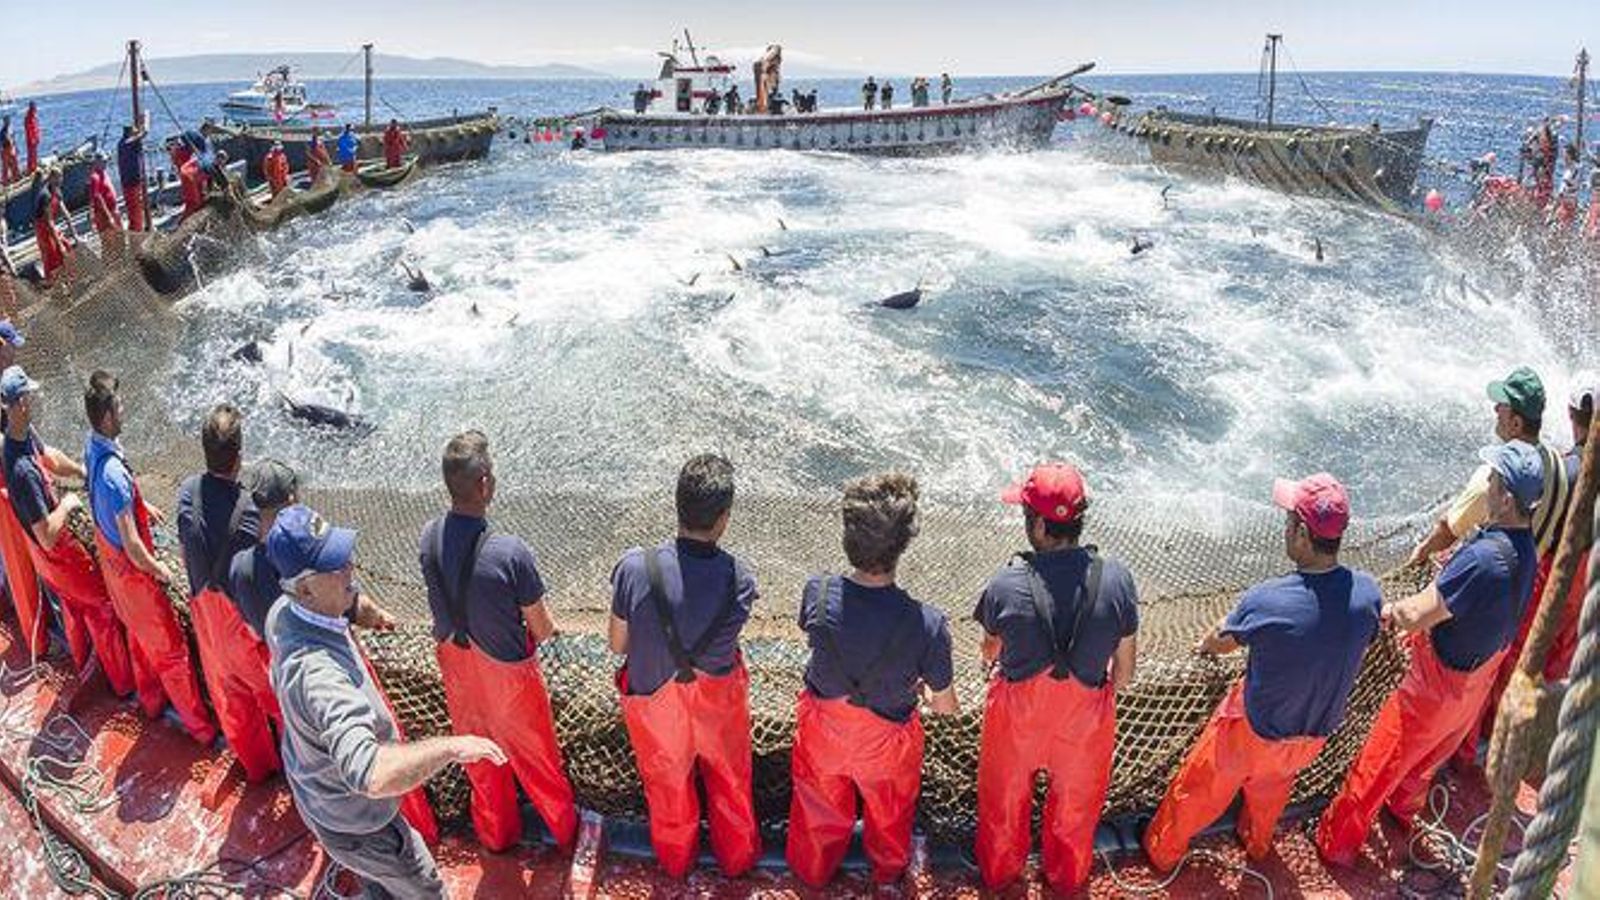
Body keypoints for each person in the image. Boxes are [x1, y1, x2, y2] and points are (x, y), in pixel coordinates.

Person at [1316, 442, 1542, 866]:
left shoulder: (1482, 559)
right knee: (1425, 761)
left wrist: (1386, 610)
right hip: (1473, 685)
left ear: (1507, 498)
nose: (1487, 486)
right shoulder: (1525, 549)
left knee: (1379, 762)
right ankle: (1402, 811)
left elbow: (1417, 614)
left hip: (1433, 688)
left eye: (1493, 481)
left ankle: (1337, 845)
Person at [1145, 474, 1381, 871]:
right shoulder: (1368, 593)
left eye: (1289, 521)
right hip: (1311, 736)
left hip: (1253, 731)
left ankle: (1161, 852)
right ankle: (1256, 843)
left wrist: (1204, 646)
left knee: (1199, 790)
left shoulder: (1268, 599)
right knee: (1272, 791)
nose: (1285, 529)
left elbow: (1221, 640)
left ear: (1302, 533)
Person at [266, 504, 504, 898]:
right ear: (305, 588)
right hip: (363, 828)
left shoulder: (283, 613)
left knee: (380, 885)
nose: (349, 567)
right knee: (423, 885)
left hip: (323, 802)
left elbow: (340, 603)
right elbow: (372, 776)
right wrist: (452, 747)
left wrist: (365, 611)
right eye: (334, 566)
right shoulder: (320, 677)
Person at [786, 473, 958, 887]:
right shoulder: (928, 624)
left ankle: (812, 875)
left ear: (848, 537)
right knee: (890, 815)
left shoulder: (817, 592)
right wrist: (922, 689)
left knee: (817, 810)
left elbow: (815, 632)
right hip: (887, 748)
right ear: (902, 545)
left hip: (824, 735)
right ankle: (886, 877)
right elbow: (945, 706)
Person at [972, 463, 1138, 892]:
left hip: (1018, 720)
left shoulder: (1005, 584)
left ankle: (1000, 878)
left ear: (1041, 527)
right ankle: (1065, 881)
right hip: (1083, 723)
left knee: (1003, 806)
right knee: (1076, 812)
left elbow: (989, 650)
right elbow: (1124, 674)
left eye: (1026, 515)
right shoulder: (1118, 580)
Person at [419, 432, 578, 855]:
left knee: (480, 762)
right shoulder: (510, 552)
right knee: (539, 764)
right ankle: (566, 836)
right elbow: (542, 628)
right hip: (509, 685)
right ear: (485, 484)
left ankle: (496, 837)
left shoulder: (429, 537)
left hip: (459, 677)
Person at [610, 453, 761, 879]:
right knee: (730, 782)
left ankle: (677, 864)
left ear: (677, 504)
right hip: (717, 703)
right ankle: (738, 861)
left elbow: (617, 644)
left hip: (655, 705)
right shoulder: (740, 578)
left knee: (668, 787)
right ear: (724, 518)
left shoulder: (634, 568)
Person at [84, 370, 217, 745]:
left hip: (114, 573)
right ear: (108, 416)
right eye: (119, 406)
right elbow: (133, 546)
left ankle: (151, 702)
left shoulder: (93, 446)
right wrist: (162, 572)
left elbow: (115, 507)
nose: (124, 410)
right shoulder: (114, 476)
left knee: (138, 639)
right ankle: (202, 730)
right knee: (171, 652)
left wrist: (143, 506)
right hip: (134, 577)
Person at [2, 365, 135, 694]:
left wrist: (81, 471)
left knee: (73, 606)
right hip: (55, 553)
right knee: (102, 604)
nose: (35, 401)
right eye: (30, 397)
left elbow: (49, 456)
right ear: (20, 404)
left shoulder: (22, 436)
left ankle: (84, 661)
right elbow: (46, 536)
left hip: (47, 562)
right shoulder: (20, 470)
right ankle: (122, 685)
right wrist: (69, 504)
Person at [176, 406, 281, 783]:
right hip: (243, 628)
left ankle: (259, 770)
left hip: (207, 623)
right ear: (239, 456)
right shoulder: (251, 509)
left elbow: (185, 553)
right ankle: (299, 769)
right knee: (278, 700)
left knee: (233, 706)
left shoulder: (187, 493)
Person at [0, 328, 51, 659]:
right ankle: (39, 636)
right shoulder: (19, 465)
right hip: (8, 500)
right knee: (19, 569)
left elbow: (38, 447)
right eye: (10, 348)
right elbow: (46, 535)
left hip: (11, 492)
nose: (14, 353)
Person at [31, 170, 70, 285]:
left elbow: (65, 212)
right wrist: (59, 244)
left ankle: (66, 279)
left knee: (66, 246)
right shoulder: (45, 195)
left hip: (51, 225)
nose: (61, 180)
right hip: (43, 229)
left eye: (61, 177)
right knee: (51, 255)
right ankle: (53, 284)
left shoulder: (57, 191)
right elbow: (48, 221)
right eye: (58, 178)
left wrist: (74, 233)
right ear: (51, 178)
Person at [116, 124, 147, 231]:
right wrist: (145, 121)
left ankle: (135, 228)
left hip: (126, 181)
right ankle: (137, 231)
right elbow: (145, 133)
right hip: (132, 181)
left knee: (132, 208)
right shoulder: (129, 142)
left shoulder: (121, 143)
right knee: (136, 209)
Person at [88, 155, 122, 236]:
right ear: (97, 163)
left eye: (106, 161)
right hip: (104, 215)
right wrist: (108, 216)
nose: (105, 163)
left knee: (120, 235)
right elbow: (97, 198)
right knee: (110, 238)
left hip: (113, 210)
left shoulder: (104, 173)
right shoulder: (94, 177)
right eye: (103, 161)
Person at [172, 142, 206, 220]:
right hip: (190, 177)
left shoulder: (179, 153)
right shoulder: (186, 153)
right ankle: (184, 220)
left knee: (192, 201)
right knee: (194, 202)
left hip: (186, 175)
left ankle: (186, 218)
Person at [1, 115, 19, 185]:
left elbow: (13, 139)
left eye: (8, 121)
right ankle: (5, 181)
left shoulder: (11, 129)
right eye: (6, 121)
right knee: (6, 166)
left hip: (11, 148)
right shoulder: (2, 132)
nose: (8, 122)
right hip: (5, 150)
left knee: (14, 163)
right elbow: (2, 143)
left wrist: (16, 147)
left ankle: (15, 177)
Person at [24, 101, 40, 175]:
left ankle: (34, 167)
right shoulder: (28, 117)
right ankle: (30, 169)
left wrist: (38, 137)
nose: (35, 109)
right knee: (31, 155)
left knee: (35, 154)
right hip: (31, 139)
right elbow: (28, 129)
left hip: (35, 138)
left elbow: (36, 128)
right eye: (34, 107)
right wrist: (32, 139)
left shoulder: (34, 117)